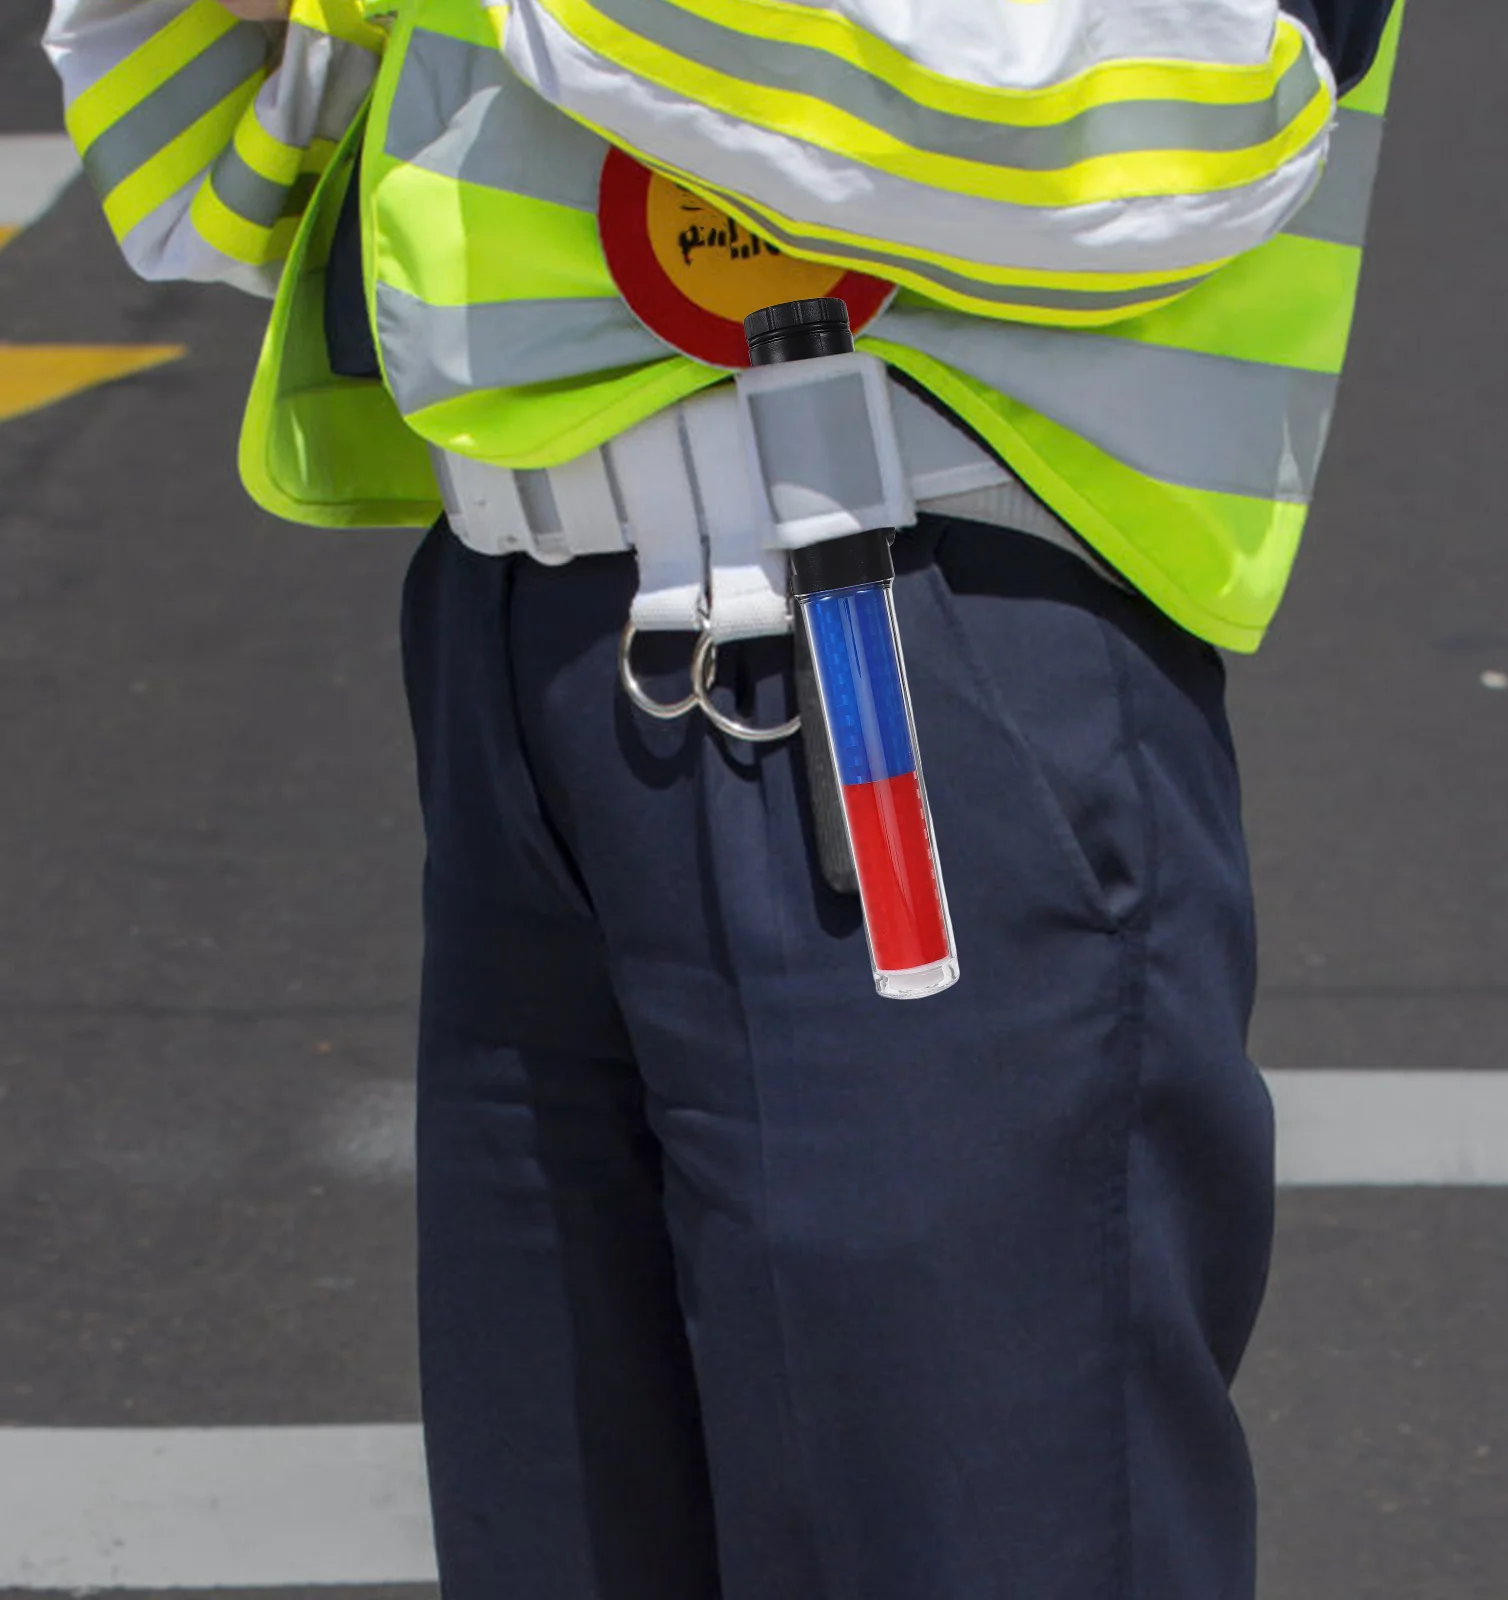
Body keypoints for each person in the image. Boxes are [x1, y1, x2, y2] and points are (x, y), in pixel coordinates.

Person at [44, 2, 1403, 1595]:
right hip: (537, 639)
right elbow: (219, 176)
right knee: (565, 1529)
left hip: (896, 627)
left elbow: (1194, 105)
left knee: (967, 1535)